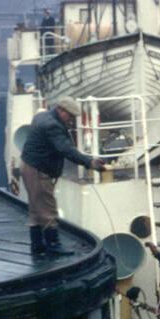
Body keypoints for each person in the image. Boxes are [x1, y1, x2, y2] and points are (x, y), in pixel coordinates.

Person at [20, 96, 104, 256]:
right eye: (70, 116)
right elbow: (66, 149)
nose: (71, 120)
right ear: (61, 110)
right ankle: (53, 245)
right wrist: (90, 162)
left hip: (29, 166)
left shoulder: (41, 116)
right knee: (47, 209)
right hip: (38, 171)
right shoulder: (52, 125)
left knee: (36, 208)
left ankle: (37, 245)